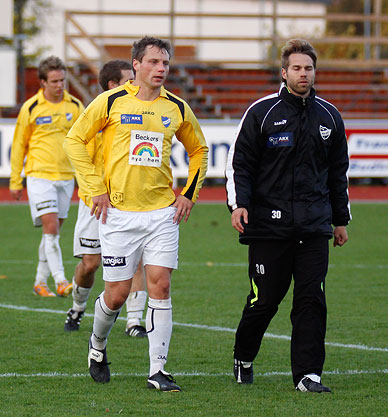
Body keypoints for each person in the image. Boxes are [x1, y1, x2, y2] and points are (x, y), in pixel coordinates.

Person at [65, 36, 208, 391]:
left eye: (166, 64)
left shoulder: (176, 107)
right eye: (154, 62)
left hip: (162, 213)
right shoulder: (111, 101)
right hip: (118, 215)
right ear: (136, 65)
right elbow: (74, 140)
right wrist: (95, 187)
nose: (161, 69)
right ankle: (97, 345)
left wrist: (188, 193)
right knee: (116, 294)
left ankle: (158, 370)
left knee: (160, 284)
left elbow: (199, 150)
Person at [225, 39, 350, 393]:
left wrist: (340, 219)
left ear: (314, 72)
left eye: (308, 68)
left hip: (314, 227)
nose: (303, 74)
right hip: (269, 227)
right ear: (283, 73)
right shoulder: (261, 112)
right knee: (264, 301)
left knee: (312, 300)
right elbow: (239, 164)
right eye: (296, 68)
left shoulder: (329, 116)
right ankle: (244, 356)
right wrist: (239, 205)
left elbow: (338, 172)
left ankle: (308, 375)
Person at [64, 59, 149, 338]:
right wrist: (95, 193)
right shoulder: (95, 115)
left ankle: (134, 321)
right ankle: (77, 307)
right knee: (90, 264)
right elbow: (79, 158)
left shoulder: (137, 111)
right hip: (94, 202)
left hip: (127, 200)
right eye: (129, 79)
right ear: (113, 85)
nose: (135, 83)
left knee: (135, 260)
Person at [10, 56, 84, 297]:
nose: (60, 85)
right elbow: (19, 145)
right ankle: (61, 280)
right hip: (39, 176)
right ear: (43, 82)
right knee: (51, 227)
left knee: (51, 234)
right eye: (54, 81)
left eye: (62, 80)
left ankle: (39, 283)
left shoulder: (75, 106)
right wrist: (15, 180)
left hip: (66, 178)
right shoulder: (31, 108)